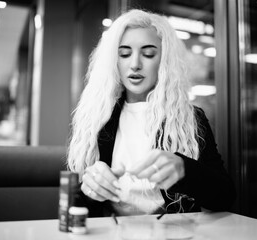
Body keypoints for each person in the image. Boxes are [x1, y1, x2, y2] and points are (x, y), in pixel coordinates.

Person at [67, 9, 235, 217]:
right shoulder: (97, 118)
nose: (135, 64)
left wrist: (185, 170)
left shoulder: (189, 118)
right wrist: (90, 189)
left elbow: (226, 197)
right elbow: (74, 209)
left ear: (164, 62)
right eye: (124, 54)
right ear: (114, 61)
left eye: (148, 54)